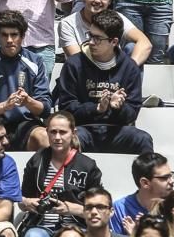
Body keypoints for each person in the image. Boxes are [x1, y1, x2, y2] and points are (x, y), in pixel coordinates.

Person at [55, 10, 151, 155]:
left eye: (98, 38)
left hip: (116, 129)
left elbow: (132, 112)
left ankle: (144, 178)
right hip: (84, 128)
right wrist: (97, 108)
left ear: (114, 42)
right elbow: (66, 108)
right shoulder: (74, 64)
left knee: (143, 139)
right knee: (73, 139)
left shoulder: (129, 67)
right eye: (90, 36)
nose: (91, 42)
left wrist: (118, 107)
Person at [17, 112, 103, 237]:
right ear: (47, 132)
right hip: (41, 226)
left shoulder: (87, 165)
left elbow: (99, 209)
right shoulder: (36, 161)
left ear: (73, 133)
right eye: (53, 132)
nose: (57, 137)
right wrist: (28, 203)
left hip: (76, 227)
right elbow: (21, 200)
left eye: (62, 132)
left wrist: (71, 209)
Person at [0, 10, 52, 150]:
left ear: (22, 36)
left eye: (14, 35)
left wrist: (28, 101)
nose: (9, 40)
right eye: (4, 35)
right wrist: (5, 106)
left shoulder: (35, 62)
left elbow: (45, 109)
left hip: (26, 125)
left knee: (45, 138)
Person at [57, 0, 152, 66]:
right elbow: (77, 61)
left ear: (110, 1)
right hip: (84, 75)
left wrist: (129, 70)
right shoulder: (68, 24)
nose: (98, 0)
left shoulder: (117, 18)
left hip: (114, 75)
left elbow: (145, 43)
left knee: (132, 48)